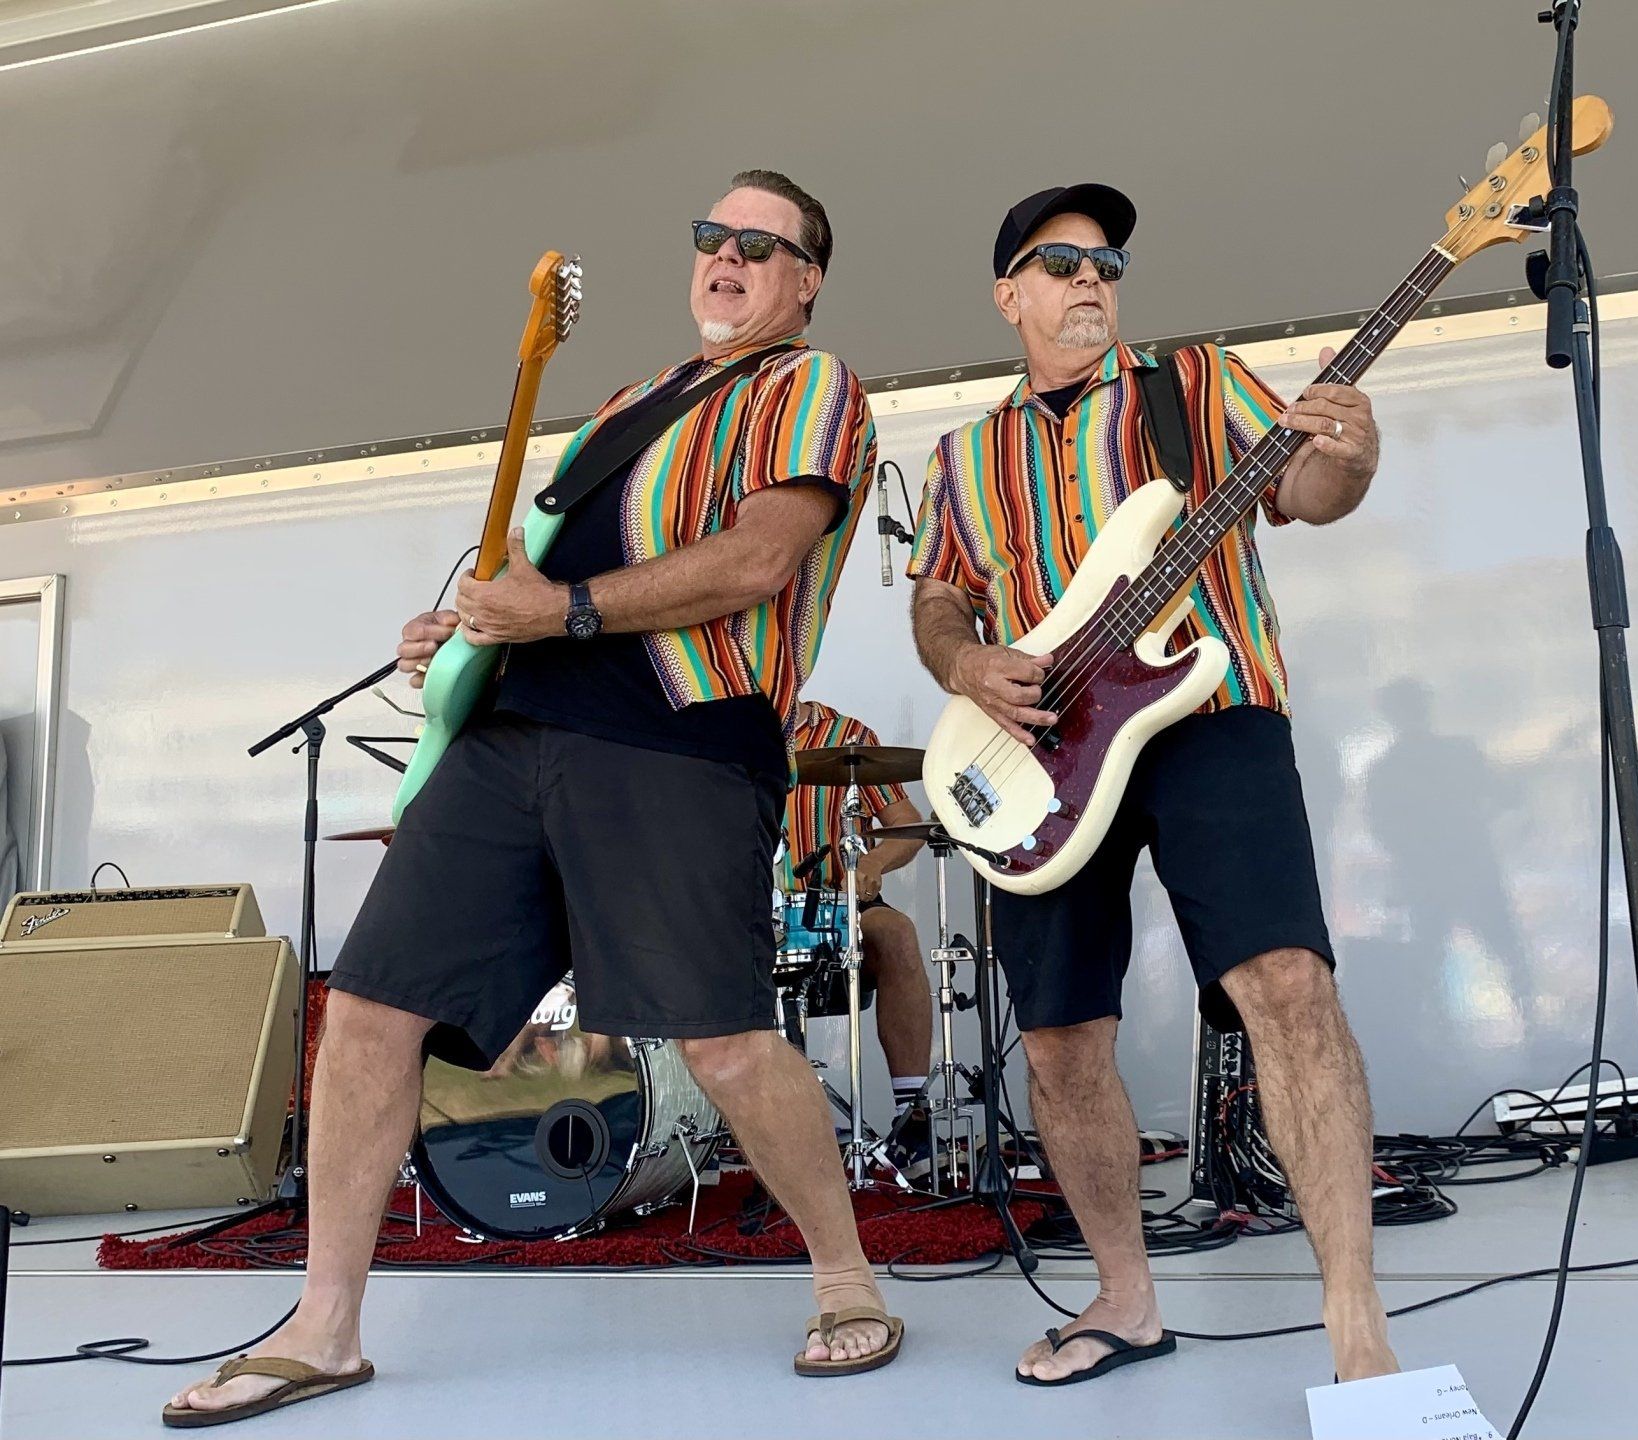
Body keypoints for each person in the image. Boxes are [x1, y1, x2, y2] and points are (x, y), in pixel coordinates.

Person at [166, 168, 902, 1429]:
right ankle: (325, 1328)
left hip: (678, 738)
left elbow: (760, 558)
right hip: (516, 737)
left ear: (806, 279)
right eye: (710, 235)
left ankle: (847, 1280)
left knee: (722, 1036)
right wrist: (459, 633)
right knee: (369, 1010)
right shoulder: (628, 402)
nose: (725, 256)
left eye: (758, 243)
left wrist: (554, 610)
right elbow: (526, 575)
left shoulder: (811, 387)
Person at [907, 183, 1398, 1385]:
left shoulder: (1197, 389)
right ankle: (1124, 1300)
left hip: (1208, 715)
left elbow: (1306, 493)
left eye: (1107, 263)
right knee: (1064, 1039)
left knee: (1286, 985)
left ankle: (1357, 1331)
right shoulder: (964, 455)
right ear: (1007, 293)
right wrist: (966, 662)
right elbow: (938, 595)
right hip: (1042, 751)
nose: (1090, 279)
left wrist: (1352, 455)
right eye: (1058, 261)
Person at [779, 698, 937, 1173]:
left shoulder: (847, 736)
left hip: (841, 906)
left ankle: (914, 1119)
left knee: (898, 933)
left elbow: (907, 825)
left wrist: (869, 864)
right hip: (753, 914)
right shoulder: (723, 738)